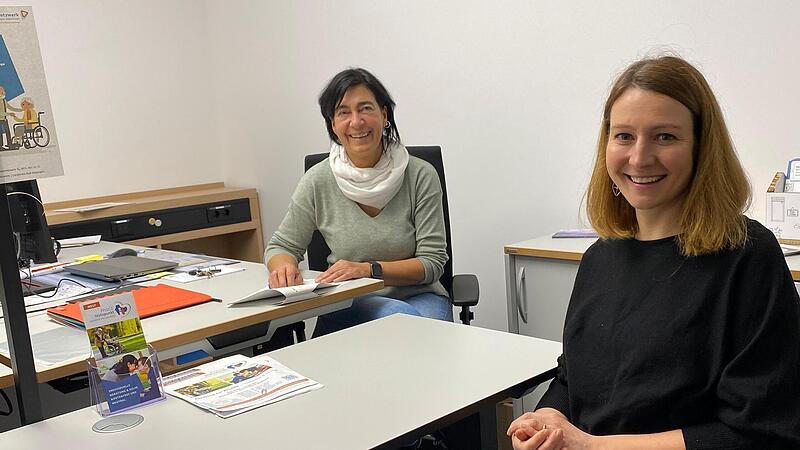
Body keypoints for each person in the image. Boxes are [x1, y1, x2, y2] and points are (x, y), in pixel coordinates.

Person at [507, 56, 800, 449]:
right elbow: (572, 376)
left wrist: (590, 446)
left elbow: (758, 433)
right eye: (624, 136)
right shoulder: (600, 257)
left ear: (701, 146)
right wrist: (550, 417)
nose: (640, 158)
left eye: (665, 136)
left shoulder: (748, 257)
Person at [265, 67, 452, 337]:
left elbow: (432, 263)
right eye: (343, 112)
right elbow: (281, 246)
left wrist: (368, 270)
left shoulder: (420, 175)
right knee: (406, 325)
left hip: (421, 295)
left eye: (365, 108)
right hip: (351, 298)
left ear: (384, 115)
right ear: (333, 124)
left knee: (425, 332)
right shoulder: (318, 180)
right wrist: (283, 267)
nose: (356, 121)